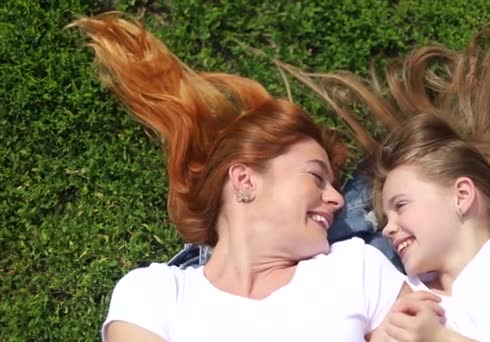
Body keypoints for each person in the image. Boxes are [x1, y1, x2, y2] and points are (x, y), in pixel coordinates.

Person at [68, 12, 419, 342]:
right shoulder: (154, 294)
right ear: (245, 180)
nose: (337, 199)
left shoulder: (355, 268)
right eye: (316, 176)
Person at [280, 9, 490, 342]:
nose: (388, 228)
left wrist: (439, 338)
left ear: (462, 195)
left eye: (401, 205)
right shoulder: (409, 300)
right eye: (384, 218)